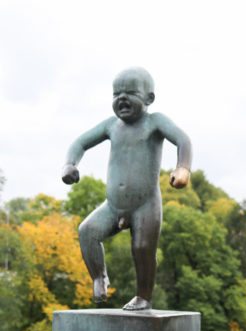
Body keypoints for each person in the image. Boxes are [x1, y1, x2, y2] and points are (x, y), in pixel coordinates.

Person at [62, 66, 192, 310]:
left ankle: (144, 296)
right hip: (113, 205)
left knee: (142, 249)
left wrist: (182, 168)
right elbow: (80, 142)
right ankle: (99, 277)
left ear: (149, 98)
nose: (121, 98)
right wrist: (70, 164)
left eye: (130, 92)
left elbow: (183, 140)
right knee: (87, 231)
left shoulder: (155, 122)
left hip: (145, 204)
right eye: (116, 94)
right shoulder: (111, 126)